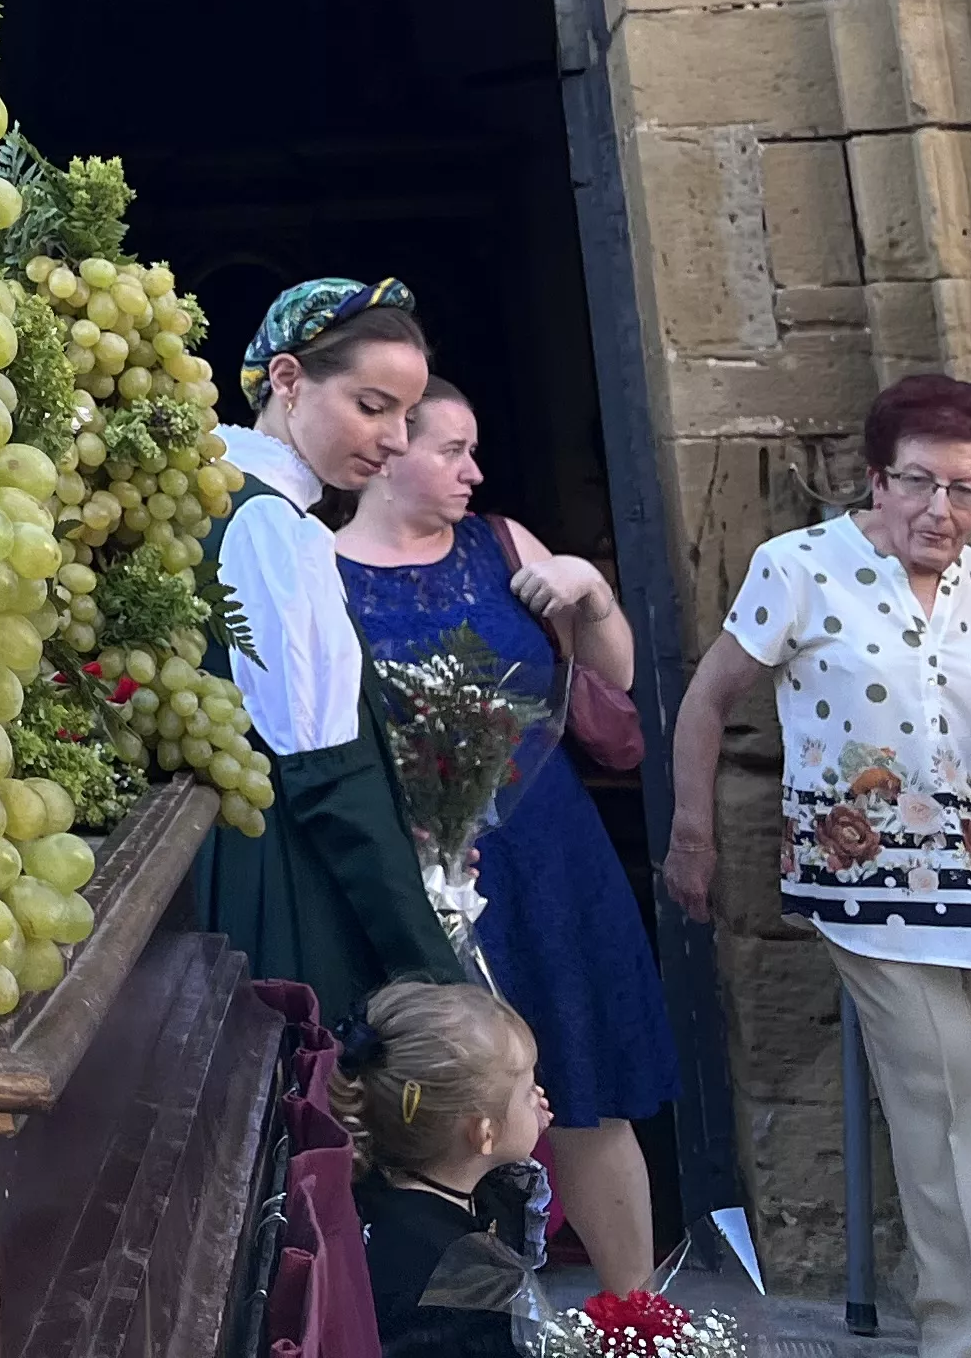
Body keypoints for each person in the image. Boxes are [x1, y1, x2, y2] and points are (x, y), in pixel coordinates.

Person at [666, 375, 971, 1358]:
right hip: (866, 884)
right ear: (876, 477)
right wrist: (693, 836)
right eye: (919, 482)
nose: (942, 510)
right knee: (940, 1100)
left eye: (967, 490)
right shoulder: (798, 565)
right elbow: (709, 700)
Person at [337, 380, 676, 1294]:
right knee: (431, 1104)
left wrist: (590, 590)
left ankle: (633, 1322)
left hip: (544, 850)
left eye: (473, 450)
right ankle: (464, 1321)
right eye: (451, 450)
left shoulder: (501, 542)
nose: (473, 470)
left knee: (583, 1081)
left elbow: (618, 674)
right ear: (387, 449)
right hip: (419, 867)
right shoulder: (316, 567)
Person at [192, 277, 465, 1017]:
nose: (397, 440)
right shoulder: (268, 526)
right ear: (287, 380)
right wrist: (439, 981)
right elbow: (325, 777)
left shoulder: (222, 504)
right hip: (286, 895)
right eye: (372, 407)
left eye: (407, 415)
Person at [335, 979, 554, 1358]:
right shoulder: (461, 1277)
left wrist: (517, 1132)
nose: (540, 1097)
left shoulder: (387, 1181)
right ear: (485, 1134)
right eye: (528, 1090)